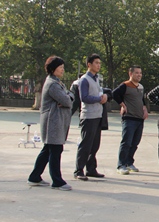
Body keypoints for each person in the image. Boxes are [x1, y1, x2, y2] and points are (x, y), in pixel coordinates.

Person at [27, 56, 74, 191]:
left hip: (56, 120)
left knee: (48, 150)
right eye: (60, 67)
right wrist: (68, 98)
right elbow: (67, 101)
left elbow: (69, 96)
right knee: (55, 150)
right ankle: (57, 181)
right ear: (53, 68)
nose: (62, 70)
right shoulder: (53, 84)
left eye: (63, 67)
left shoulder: (57, 82)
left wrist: (68, 97)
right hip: (53, 121)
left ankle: (34, 177)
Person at [74, 53, 107, 181]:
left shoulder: (96, 78)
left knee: (94, 144)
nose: (99, 65)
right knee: (86, 144)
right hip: (88, 116)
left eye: (99, 63)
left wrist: (104, 96)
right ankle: (79, 170)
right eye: (96, 63)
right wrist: (99, 99)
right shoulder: (84, 80)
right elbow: (84, 97)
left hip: (97, 115)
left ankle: (91, 169)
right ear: (89, 64)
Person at [112, 65, 148, 175]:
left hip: (139, 118)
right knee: (126, 142)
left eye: (140, 73)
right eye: (137, 73)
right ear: (130, 74)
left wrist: (144, 108)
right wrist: (122, 104)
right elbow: (114, 94)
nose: (139, 75)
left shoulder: (140, 87)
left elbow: (142, 99)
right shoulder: (125, 85)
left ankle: (129, 162)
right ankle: (121, 165)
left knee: (135, 142)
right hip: (129, 118)